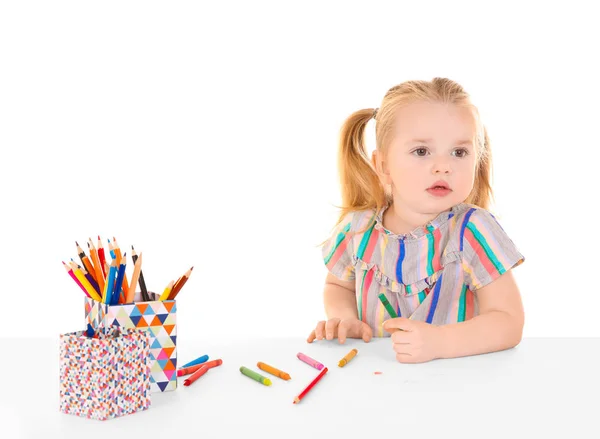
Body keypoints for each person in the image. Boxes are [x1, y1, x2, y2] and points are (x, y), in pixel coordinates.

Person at [307, 77, 525, 363]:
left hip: (455, 382)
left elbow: (508, 321)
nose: (443, 167)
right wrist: (345, 318)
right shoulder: (358, 230)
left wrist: (441, 342)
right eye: (421, 151)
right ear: (383, 165)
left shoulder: (473, 230)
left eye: (459, 152)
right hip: (375, 382)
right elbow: (337, 286)